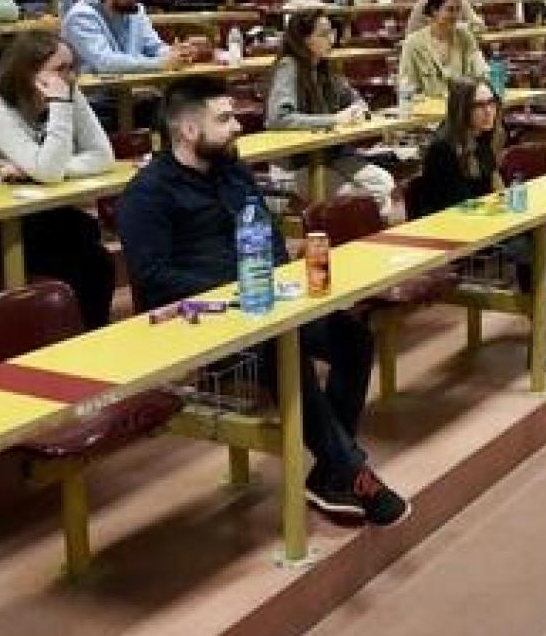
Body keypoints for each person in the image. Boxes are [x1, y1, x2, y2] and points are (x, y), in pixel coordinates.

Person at [117, 76, 409, 526]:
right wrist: (232, 294)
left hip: (267, 301)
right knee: (283, 347)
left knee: (351, 337)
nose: (237, 126)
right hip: (204, 320)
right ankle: (352, 472)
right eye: (224, 118)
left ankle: (331, 472)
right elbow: (153, 279)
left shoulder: (233, 171)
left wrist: (274, 280)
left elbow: (269, 237)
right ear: (188, 131)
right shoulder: (147, 193)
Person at [411, 76, 546, 371]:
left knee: (535, 237)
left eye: (492, 103)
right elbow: (456, 209)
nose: (489, 111)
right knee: (531, 247)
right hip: (454, 235)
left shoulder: (483, 137)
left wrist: (508, 202)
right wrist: (501, 208)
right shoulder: (444, 149)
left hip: (481, 223)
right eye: (480, 105)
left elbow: (490, 187)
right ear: (462, 109)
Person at [0, 31, 116, 329]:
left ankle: (91, 341)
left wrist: (35, 171)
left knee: (99, 262)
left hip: (42, 211)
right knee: (79, 264)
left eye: (72, 67)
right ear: (28, 72)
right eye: (60, 69)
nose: (71, 76)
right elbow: (47, 171)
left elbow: (103, 156)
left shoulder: (71, 94)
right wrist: (60, 108)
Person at [264, 10, 394, 212]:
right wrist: (334, 120)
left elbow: (353, 98)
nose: (331, 39)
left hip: (333, 156)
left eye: (332, 32)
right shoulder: (288, 67)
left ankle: (370, 236)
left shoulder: (326, 67)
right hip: (296, 165)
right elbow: (279, 119)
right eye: (323, 34)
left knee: (383, 183)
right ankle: (349, 238)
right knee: (358, 198)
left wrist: (359, 109)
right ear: (305, 39)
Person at [62, 0, 196, 75]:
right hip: (95, 98)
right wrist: (160, 63)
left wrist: (176, 54)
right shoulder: (80, 17)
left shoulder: (135, 10)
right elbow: (105, 63)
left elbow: (154, 47)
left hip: (131, 90)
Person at [399, 0, 487, 98]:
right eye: (450, 10)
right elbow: (406, 87)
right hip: (427, 111)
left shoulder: (465, 36)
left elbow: (481, 73)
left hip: (460, 110)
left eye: (458, 10)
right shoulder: (413, 43)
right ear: (434, 10)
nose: (456, 15)